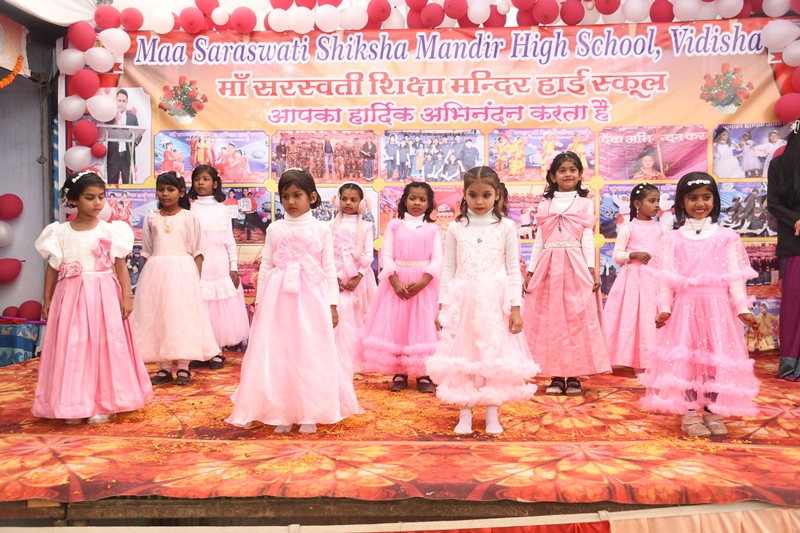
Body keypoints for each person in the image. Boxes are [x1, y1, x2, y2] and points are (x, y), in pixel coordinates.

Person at [227, 169, 362, 433]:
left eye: (297, 195)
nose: (290, 201)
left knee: (311, 350)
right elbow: (266, 265)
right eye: (285, 196)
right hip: (278, 301)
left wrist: (333, 305)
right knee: (281, 352)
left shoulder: (322, 229)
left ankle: (310, 411)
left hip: (313, 299)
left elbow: (329, 269)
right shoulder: (275, 228)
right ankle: (282, 412)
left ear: (311, 197)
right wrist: (261, 301)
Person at [640, 172, 760, 436]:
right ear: (682, 202)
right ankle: (690, 412)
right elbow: (666, 280)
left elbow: (735, 278)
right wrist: (665, 309)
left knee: (716, 360)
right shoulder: (672, 238)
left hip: (718, 311)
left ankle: (714, 410)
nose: (700, 203)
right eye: (693, 198)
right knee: (687, 361)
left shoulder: (727, 237)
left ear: (714, 200)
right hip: (685, 311)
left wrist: (742, 310)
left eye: (706, 197)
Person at [33, 170, 152, 424]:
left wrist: (127, 296)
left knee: (104, 346)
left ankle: (105, 401)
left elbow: (120, 265)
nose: (97, 203)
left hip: (103, 295)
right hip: (71, 297)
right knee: (73, 347)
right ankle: (74, 402)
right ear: (73, 199)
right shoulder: (60, 232)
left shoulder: (110, 231)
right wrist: (47, 299)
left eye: (100, 197)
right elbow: (53, 268)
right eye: (90, 198)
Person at [427, 167, 539, 435]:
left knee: (493, 356)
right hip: (464, 301)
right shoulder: (456, 227)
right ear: (464, 195)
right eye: (473, 195)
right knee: (464, 354)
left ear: (497, 194)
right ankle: (465, 412)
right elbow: (448, 270)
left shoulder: (506, 227)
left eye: (486, 195)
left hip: (494, 301)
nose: (479, 201)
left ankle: (492, 412)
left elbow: (513, 271)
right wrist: (443, 307)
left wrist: (515, 308)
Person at [522, 152, 610, 396]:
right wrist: (530, 272)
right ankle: (556, 376)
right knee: (552, 321)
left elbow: (587, 239)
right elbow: (539, 241)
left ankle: (574, 376)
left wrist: (591, 270)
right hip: (549, 267)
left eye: (572, 170)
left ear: (580, 174)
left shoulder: (585, 203)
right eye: (562, 170)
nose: (567, 174)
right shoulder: (544, 205)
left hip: (575, 265)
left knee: (576, 319)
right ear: (553, 176)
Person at [130, 172, 220, 386]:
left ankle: (183, 367)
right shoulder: (152, 218)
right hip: (156, 273)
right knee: (159, 316)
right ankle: (164, 368)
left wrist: (195, 280)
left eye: (170, 190)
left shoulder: (189, 217)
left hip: (182, 273)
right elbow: (147, 250)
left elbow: (197, 251)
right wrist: (148, 278)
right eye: (161, 189)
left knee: (181, 316)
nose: (165, 194)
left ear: (180, 193)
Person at [359, 182, 442, 393]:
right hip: (396, 284)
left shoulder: (433, 229)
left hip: (424, 286)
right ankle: (400, 372)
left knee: (423, 328)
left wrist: (423, 282)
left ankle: (424, 373)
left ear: (429, 204)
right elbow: (386, 255)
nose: (417, 202)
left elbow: (437, 259)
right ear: (405, 200)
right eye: (412, 198)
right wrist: (394, 281)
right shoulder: (394, 226)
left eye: (422, 199)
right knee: (398, 326)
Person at [188, 165, 250, 370]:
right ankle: (202, 351)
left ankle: (216, 353)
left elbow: (230, 241)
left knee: (219, 309)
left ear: (214, 183)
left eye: (205, 179)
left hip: (219, 265)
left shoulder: (223, 209)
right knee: (200, 307)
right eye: (197, 179)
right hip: (198, 266)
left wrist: (234, 268)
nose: (200, 183)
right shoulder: (190, 209)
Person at [603, 183, 666, 371]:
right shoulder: (628, 228)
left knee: (650, 318)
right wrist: (633, 255)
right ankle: (628, 358)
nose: (656, 205)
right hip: (631, 282)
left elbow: (666, 255)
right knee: (630, 318)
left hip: (654, 281)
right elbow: (616, 256)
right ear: (637, 204)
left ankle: (651, 360)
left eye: (658, 201)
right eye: (652, 201)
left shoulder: (662, 229)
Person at [331, 183, 377, 374]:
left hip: (358, 278)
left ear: (361, 203)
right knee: (337, 315)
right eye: (344, 199)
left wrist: (357, 277)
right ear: (338, 200)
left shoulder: (366, 227)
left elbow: (369, 255)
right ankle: (335, 357)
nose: (348, 203)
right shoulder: (329, 226)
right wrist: (332, 277)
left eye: (353, 199)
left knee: (358, 314)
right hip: (335, 277)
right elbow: (325, 254)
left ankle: (355, 358)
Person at [767, 120, 800, 381]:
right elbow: (774, 203)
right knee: (794, 303)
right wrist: (796, 220)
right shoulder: (779, 164)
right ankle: (791, 363)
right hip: (795, 242)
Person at [106, 89, 142, 185]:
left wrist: (135, 142)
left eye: (123, 101)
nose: (121, 104)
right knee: (112, 184)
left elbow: (139, 134)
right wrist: (115, 121)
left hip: (127, 156)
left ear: (127, 102)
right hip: (113, 156)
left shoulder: (132, 117)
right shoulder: (109, 115)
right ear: (116, 101)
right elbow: (106, 132)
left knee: (129, 184)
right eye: (119, 101)